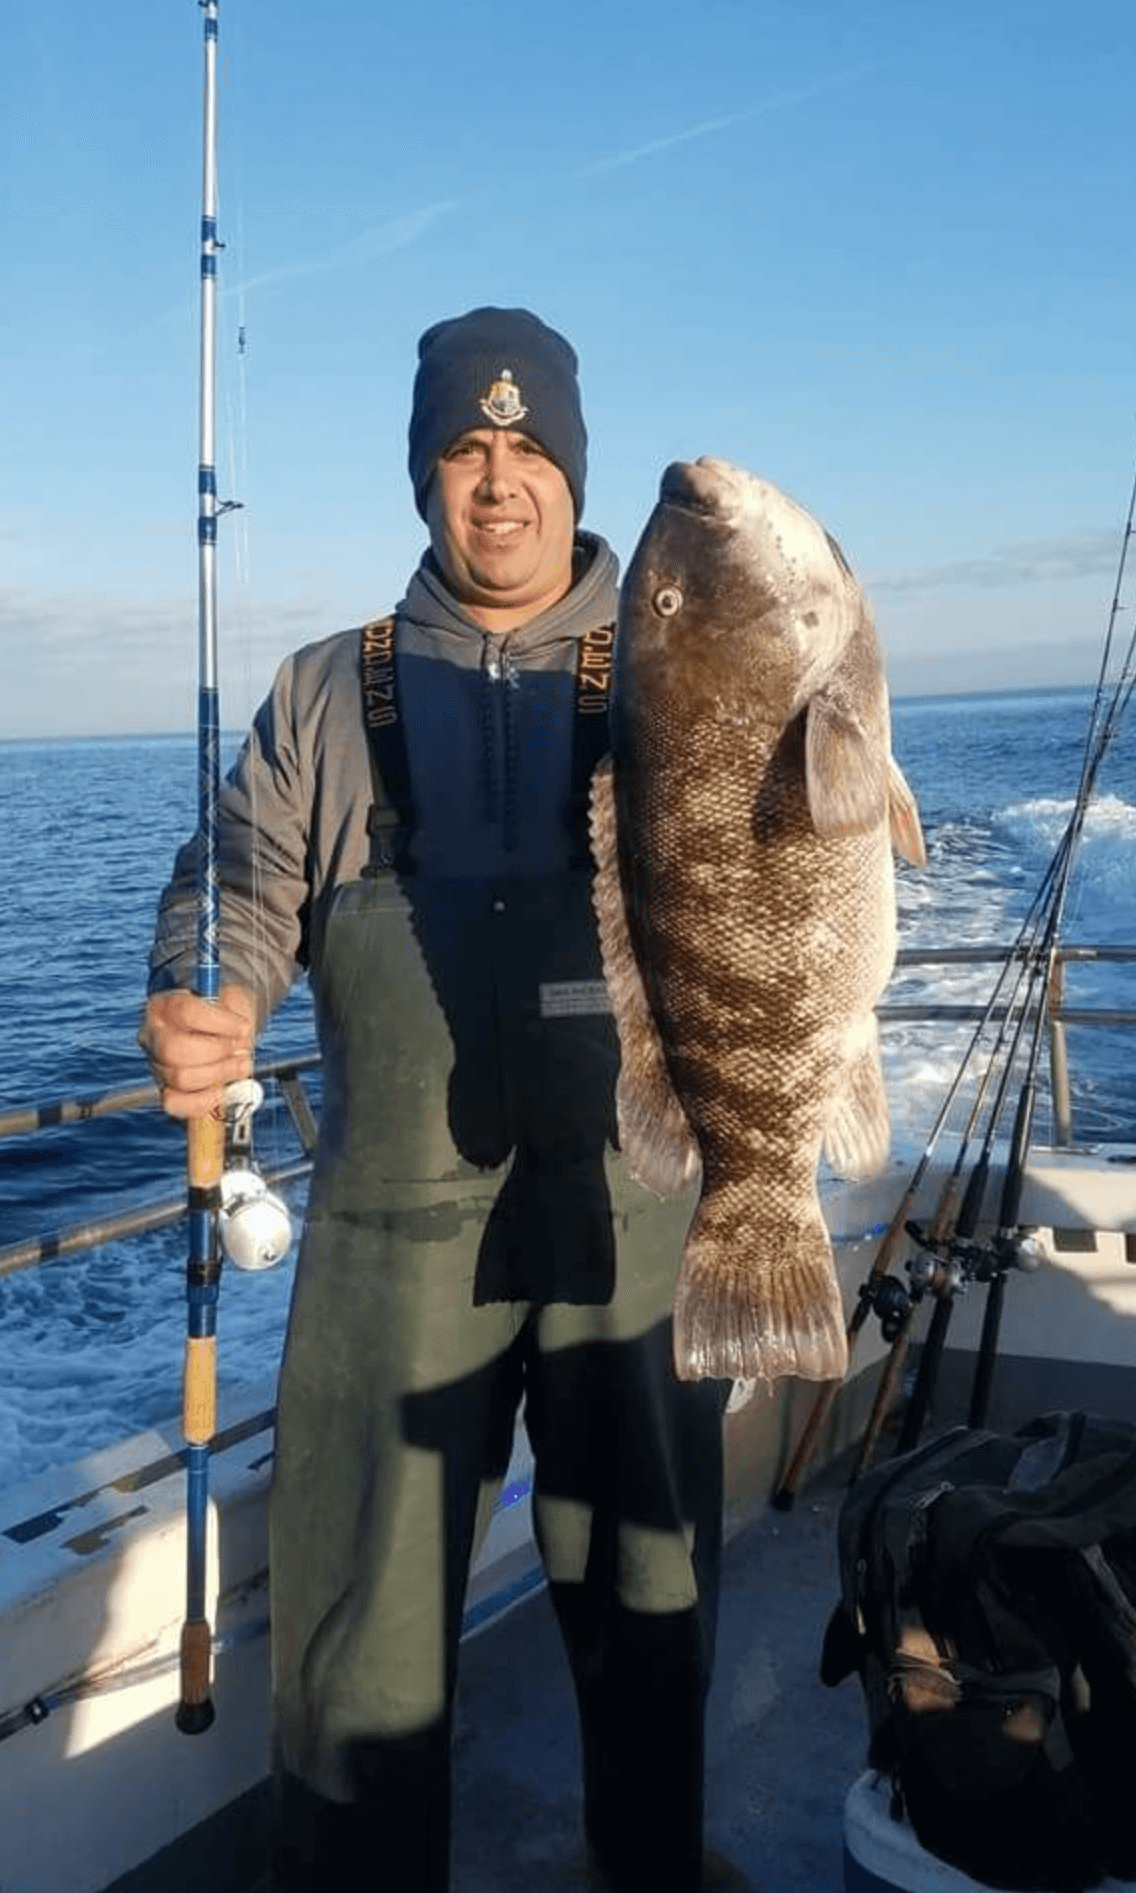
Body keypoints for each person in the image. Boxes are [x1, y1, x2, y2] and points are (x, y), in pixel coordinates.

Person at [140, 307, 730, 1893]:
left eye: (529, 449)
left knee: (652, 1576)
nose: (498, 483)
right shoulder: (325, 692)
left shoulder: (686, 676)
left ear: (572, 472)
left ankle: (653, 1862)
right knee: (361, 1620)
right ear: (423, 477)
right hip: (392, 1222)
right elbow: (244, 879)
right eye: (464, 450)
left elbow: (797, 859)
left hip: (643, 1196)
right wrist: (212, 990)